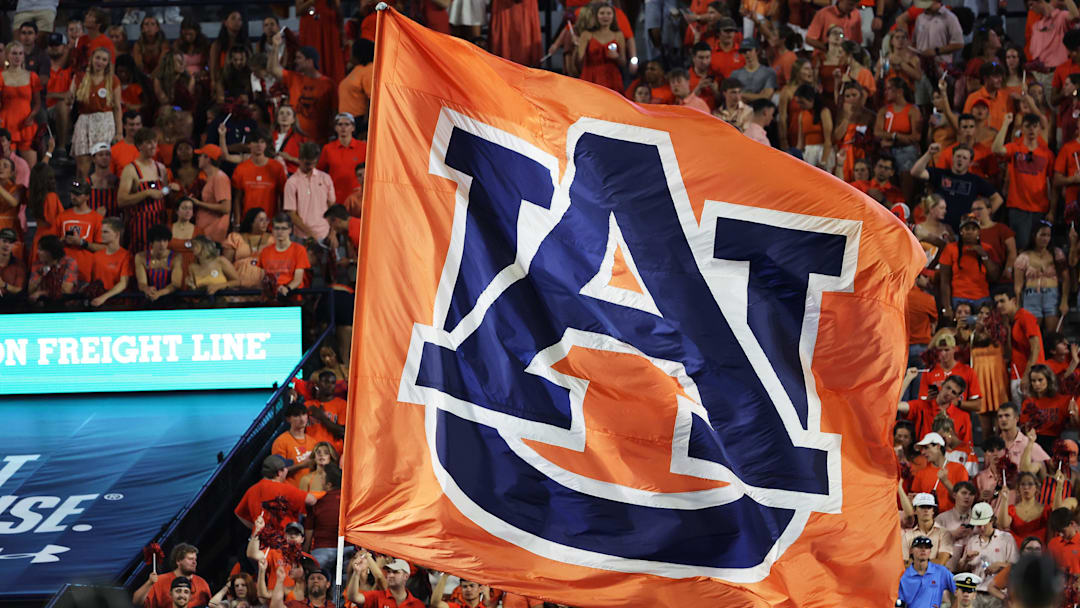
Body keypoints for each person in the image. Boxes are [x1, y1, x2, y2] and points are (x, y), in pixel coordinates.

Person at [993, 113, 1055, 251]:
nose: (1032, 130)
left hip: (1040, 208)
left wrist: (1051, 210)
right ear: (1022, 128)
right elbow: (996, 149)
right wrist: (1005, 124)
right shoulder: (1015, 148)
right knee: (1020, 247)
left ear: (1039, 129)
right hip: (1018, 206)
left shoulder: (1047, 154)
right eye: (1028, 126)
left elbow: (1052, 183)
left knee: (1039, 248)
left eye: (1035, 126)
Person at [911, 143, 1002, 236]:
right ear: (952, 158)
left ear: (970, 163)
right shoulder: (940, 174)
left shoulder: (975, 180)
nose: (960, 159)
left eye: (964, 158)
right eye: (958, 156)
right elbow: (915, 172)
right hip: (940, 230)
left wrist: (984, 218)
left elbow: (997, 199)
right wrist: (929, 154)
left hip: (964, 233)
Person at [268, 31, 335, 145]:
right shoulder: (294, 78)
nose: (295, 61)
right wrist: (275, 46)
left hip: (319, 142)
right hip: (295, 141)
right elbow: (272, 69)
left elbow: (334, 113)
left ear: (309, 61)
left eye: (299, 58)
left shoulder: (329, 84)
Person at [118, 128, 178, 253]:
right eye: (149, 143)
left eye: (155, 142)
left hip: (159, 221)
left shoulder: (160, 168)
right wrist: (146, 193)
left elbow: (165, 195)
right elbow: (121, 200)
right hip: (140, 225)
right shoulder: (130, 169)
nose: (153, 146)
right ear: (139, 145)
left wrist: (171, 189)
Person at [69, 47, 122, 180]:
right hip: (84, 121)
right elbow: (68, 100)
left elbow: (117, 108)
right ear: (91, 59)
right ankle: (80, 192)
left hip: (105, 121)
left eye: (104, 59)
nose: (100, 62)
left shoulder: (113, 80)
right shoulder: (80, 77)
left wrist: (119, 132)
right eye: (97, 58)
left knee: (102, 162)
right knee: (82, 166)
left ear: (108, 63)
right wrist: (70, 95)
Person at [938, 214, 1001, 317]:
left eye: (974, 229)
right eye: (967, 228)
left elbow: (995, 276)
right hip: (958, 299)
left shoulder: (987, 249)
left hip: (982, 299)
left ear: (979, 232)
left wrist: (984, 255)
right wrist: (947, 307)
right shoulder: (950, 249)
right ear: (961, 231)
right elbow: (944, 280)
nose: (970, 231)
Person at [234, 453, 317, 531]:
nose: (287, 470)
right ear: (279, 473)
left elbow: (239, 513)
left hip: (261, 541)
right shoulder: (285, 488)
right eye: (285, 468)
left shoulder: (251, 490)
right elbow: (311, 500)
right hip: (283, 541)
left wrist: (257, 529)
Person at [1015, 223, 1070, 335]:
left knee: (1054, 333)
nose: (1046, 238)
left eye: (1048, 235)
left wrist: (1064, 301)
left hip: (1052, 296)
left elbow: (1066, 279)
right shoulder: (1024, 256)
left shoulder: (1056, 254)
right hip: (1031, 296)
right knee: (1032, 333)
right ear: (1034, 235)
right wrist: (1018, 304)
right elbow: (1018, 285)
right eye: (1042, 235)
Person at [874, 78, 922, 202]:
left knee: (908, 160)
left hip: (906, 150)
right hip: (888, 149)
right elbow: (877, 132)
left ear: (899, 91)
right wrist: (897, 137)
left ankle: (906, 203)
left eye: (889, 89)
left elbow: (916, 137)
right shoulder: (884, 110)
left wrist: (894, 137)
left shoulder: (912, 110)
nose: (886, 92)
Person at [959, 501, 1018, 598]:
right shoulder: (972, 541)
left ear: (992, 520)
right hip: (976, 593)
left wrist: (1000, 565)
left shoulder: (1006, 538)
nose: (981, 528)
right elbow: (962, 570)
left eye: (984, 524)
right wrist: (965, 560)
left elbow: (1017, 567)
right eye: (978, 525)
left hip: (998, 592)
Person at [0, 41, 43, 168]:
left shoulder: (32, 76)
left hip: (26, 124)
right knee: (6, 166)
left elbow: (37, 102)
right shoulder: (1, 76)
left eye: (20, 53)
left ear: (24, 56)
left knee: (31, 167)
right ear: (7, 55)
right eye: (14, 53)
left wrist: (32, 115)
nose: (17, 57)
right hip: (7, 124)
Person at [917, 334, 983, 414]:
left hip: (959, 420)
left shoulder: (967, 371)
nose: (943, 354)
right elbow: (920, 404)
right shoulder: (929, 372)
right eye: (940, 350)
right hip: (935, 419)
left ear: (955, 349)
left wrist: (958, 403)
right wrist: (929, 399)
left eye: (947, 350)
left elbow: (978, 405)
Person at [132, 543, 212, 608]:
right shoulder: (159, 581)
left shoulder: (202, 583)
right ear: (178, 561)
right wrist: (149, 583)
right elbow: (136, 603)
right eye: (190, 559)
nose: (194, 562)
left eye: (195, 559)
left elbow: (211, 605)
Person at [908, 431, 970, 511]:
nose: (922, 452)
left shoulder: (959, 469)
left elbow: (963, 500)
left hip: (953, 519)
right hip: (930, 520)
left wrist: (946, 481)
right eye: (922, 449)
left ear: (938, 446)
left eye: (926, 448)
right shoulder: (920, 474)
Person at [998, 470, 1062, 546]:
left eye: (1030, 484)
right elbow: (1003, 524)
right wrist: (1004, 500)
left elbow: (1058, 516)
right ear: (1018, 488)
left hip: (1040, 555)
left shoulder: (1046, 510)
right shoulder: (1011, 510)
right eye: (1023, 484)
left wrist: (1059, 486)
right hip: (1017, 554)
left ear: (1037, 488)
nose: (1026, 487)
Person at [284, 143, 333, 243]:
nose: (311, 167)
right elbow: (292, 214)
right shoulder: (292, 182)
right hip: (302, 237)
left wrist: (333, 233)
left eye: (314, 163)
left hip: (325, 234)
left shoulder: (325, 178)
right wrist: (311, 234)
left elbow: (332, 208)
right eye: (307, 164)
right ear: (300, 159)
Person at [994, 289, 1045, 383]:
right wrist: (1008, 329)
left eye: (1002, 301)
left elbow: (1036, 348)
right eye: (996, 302)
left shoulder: (1025, 317)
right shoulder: (1009, 322)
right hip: (1017, 373)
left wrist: (1027, 375)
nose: (999, 305)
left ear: (1014, 301)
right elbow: (1009, 354)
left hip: (1031, 375)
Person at [57, 180, 104, 284]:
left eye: (78, 194)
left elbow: (103, 247)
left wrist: (82, 243)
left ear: (87, 196)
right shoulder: (62, 216)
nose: (74, 196)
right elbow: (52, 243)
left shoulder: (96, 218)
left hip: (86, 271)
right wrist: (62, 240)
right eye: (72, 193)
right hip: (64, 270)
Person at [232, 131, 286, 219]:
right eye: (255, 142)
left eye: (262, 142)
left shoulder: (277, 167)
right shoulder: (241, 168)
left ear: (266, 145)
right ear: (249, 145)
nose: (259, 145)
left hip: (271, 224)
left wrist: (281, 220)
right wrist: (237, 223)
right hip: (247, 224)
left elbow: (283, 196)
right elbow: (237, 198)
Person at [305, 462, 346, 570]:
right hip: (347, 550)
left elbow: (308, 533)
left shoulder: (316, 503)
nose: (319, 480)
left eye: (322, 478)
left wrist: (304, 556)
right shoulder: (351, 502)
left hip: (322, 551)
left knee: (316, 578)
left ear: (329, 485)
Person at [576, 5, 626, 93]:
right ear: (596, 16)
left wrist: (617, 57)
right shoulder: (586, 34)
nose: (605, 16)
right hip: (590, 75)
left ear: (613, 16)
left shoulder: (618, 35)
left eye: (608, 13)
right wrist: (578, 46)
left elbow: (623, 62)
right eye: (602, 13)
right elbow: (579, 61)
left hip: (612, 77)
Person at [898, 536, 955, 608]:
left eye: (927, 547)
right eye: (920, 547)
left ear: (930, 551)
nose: (923, 550)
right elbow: (899, 603)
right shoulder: (903, 576)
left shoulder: (941, 572)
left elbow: (960, 591)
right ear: (911, 550)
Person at [346, 555, 425, 607]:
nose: (390, 575)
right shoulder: (377, 596)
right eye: (389, 572)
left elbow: (379, 577)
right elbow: (353, 597)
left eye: (395, 572)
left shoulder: (418, 604)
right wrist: (356, 573)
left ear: (406, 576)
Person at [189, 145, 230, 243]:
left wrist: (198, 203)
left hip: (213, 232)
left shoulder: (220, 178)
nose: (198, 158)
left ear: (208, 158)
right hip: (205, 230)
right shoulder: (208, 177)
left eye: (201, 156)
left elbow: (225, 208)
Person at [88, 217, 133, 308]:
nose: (102, 235)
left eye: (106, 232)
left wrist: (104, 297)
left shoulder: (126, 256)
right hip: (98, 303)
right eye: (101, 232)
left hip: (118, 304)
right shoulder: (96, 256)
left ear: (116, 234)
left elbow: (124, 283)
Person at [935, 113, 996, 179]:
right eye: (965, 127)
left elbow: (994, 177)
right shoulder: (948, 152)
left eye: (971, 126)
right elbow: (939, 175)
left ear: (975, 129)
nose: (968, 130)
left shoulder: (986, 152)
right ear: (959, 129)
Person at [273, 402, 320, 486]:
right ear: (288, 419)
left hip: (311, 492)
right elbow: (277, 473)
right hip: (290, 492)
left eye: (304, 414)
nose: (302, 419)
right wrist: (302, 465)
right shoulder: (281, 441)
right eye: (296, 416)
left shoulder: (313, 441)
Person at [996, 403, 1051, 473]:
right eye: (1000, 416)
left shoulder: (1028, 444)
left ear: (1017, 419)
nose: (1003, 419)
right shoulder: (994, 445)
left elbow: (1048, 465)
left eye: (1007, 415)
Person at [223, 208, 271, 288]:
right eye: (261, 220)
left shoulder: (273, 239)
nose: (265, 223)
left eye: (267, 220)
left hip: (264, 288)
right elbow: (226, 263)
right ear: (251, 222)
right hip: (237, 286)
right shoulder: (235, 238)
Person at [902, 493, 954, 565]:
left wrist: (914, 562)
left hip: (937, 576)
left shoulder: (944, 533)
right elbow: (903, 565)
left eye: (929, 507)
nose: (926, 510)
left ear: (933, 510)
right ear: (914, 511)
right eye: (922, 507)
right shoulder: (907, 536)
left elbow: (941, 562)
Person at [936, 481, 978, 569]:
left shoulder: (980, 520)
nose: (967, 497)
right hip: (947, 570)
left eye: (971, 494)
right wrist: (951, 534)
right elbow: (931, 542)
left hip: (973, 571)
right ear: (954, 495)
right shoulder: (942, 518)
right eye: (963, 493)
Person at [135, 224, 182, 302]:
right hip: (149, 298)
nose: (162, 244)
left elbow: (176, 284)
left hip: (170, 300)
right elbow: (141, 283)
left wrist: (159, 293)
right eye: (158, 240)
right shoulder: (140, 257)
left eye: (165, 240)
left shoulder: (176, 257)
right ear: (151, 242)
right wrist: (147, 289)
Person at [789, 84, 831, 170]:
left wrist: (823, 161)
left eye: (802, 102)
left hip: (822, 151)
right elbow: (800, 143)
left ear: (811, 99)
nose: (799, 105)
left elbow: (828, 141)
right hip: (808, 153)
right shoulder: (802, 115)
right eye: (798, 102)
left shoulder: (824, 112)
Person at [27, 235, 76, 305]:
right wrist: (44, 274)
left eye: (41, 250)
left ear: (51, 251)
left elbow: (65, 291)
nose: (37, 252)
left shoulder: (69, 263)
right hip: (42, 305)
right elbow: (30, 290)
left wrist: (42, 293)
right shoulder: (37, 264)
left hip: (65, 306)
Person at [306, 370, 346, 454]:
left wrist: (321, 417)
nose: (329, 385)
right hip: (311, 451)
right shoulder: (308, 405)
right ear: (318, 384)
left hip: (333, 451)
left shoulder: (342, 404)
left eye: (332, 383)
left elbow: (341, 432)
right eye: (326, 382)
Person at [912, 0, 963, 65]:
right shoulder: (919, 18)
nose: (924, 7)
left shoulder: (950, 18)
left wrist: (936, 51)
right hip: (920, 65)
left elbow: (959, 44)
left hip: (941, 65)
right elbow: (914, 42)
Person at [89, 142, 120, 217]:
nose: (104, 157)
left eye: (107, 154)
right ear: (93, 158)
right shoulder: (87, 182)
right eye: (100, 155)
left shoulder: (117, 181)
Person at [111, 111, 145, 176]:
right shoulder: (114, 150)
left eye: (138, 124)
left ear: (142, 125)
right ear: (124, 126)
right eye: (131, 125)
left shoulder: (149, 147)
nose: (135, 128)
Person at [1047, 508, 1080, 574]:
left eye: (1062, 531)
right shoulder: (1052, 544)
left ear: (1072, 523)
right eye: (1058, 532)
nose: (1060, 534)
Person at [0, 228, 27, 307]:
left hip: (10, 305)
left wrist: (3, 285)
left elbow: (19, 290)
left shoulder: (19, 265)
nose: (7, 245)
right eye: (4, 241)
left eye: (11, 242)